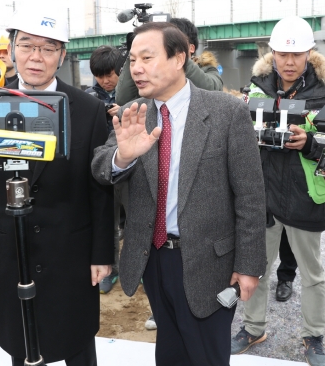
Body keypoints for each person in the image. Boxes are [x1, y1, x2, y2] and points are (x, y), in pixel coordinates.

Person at [92, 21, 266, 366]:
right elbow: (101, 168)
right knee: (170, 351)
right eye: (132, 61)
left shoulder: (226, 111)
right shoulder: (134, 113)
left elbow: (250, 196)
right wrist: (123, 156)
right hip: (153, 257)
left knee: (207, 354)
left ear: (179, 58)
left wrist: (249, 266)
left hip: (210, 261)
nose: (136, 68)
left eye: (147, 58)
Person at [0, 9, 113, 366]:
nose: (35, 56)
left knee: (76, 338)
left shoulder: (88, 110)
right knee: (21, 340)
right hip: (8, 249)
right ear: (12, 50)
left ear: (61, 55)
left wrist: (102, 253)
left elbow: (99, 190)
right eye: (26, 45)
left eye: (47, 48)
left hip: (70, 250)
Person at [231, 17, 325, 365]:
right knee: (257, 268)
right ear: (273, 54)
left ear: (310, 53)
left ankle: (313, 337)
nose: (290, 62)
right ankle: (253, 327)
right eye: (283, 54)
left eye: (297, 54)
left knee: (312, 274)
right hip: (262, 198)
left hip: (305, 197)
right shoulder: (255, 90)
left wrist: (309, 143)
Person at [85, 45, 126, 294]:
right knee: (107, 221)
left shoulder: (133, 93)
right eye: (100, 76)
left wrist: (124, 110)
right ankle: (111, 268)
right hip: (102, 168)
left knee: (134, 221)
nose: (106, 81)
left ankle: (137, 267)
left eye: (110, 74)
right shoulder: (89, 97)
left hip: (132, 166)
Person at [115, 17, 223, 106]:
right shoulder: (150, 84)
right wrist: (136, 52)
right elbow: (122, 98)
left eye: (147, 57)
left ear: (191, 48)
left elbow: (211, 90)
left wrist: (178, 58)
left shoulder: (207, 69)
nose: (137, 69)